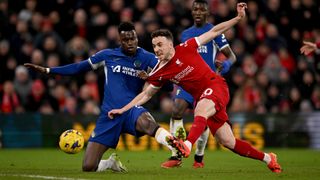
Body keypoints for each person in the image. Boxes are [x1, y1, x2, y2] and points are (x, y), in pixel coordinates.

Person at [108, 3, 282, 173]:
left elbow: (214, 31)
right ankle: (268, 158)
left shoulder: (188, 46)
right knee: (228, 142)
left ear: (170, 44)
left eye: (160, 45)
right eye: (154, 46)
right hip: (203, 97)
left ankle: (187, 146)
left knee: (200, 110)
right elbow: (145, 94)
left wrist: (238, 18)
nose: (157, 49)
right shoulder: (160, 70)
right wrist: (123, 109)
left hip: (216, 85)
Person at [24, 22, 175, 173]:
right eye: (125, 40)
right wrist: (49, 70)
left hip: (130, 110)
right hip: (109, 115)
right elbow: (78, 67)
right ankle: (110, 163)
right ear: (119, 41)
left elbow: (168, 87)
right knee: (88, 167)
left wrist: (150, 77)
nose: (130, 42)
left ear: (137, 38)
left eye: (133, 38)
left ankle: (176, 148)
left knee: (148, 124)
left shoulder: (148, 58)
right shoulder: (107, 55)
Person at [162, 0, 237, 169]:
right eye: (195, 9)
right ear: (191, 12)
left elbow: (232, 56)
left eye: (201, 10)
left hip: (206, 83)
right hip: (187, 81)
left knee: (201, 118)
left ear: (207, 12)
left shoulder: (214, 32)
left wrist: (226, 65)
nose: (198, 12)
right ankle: (176, 155)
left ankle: (199, 156)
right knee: (176, 110)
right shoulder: (185, 34)